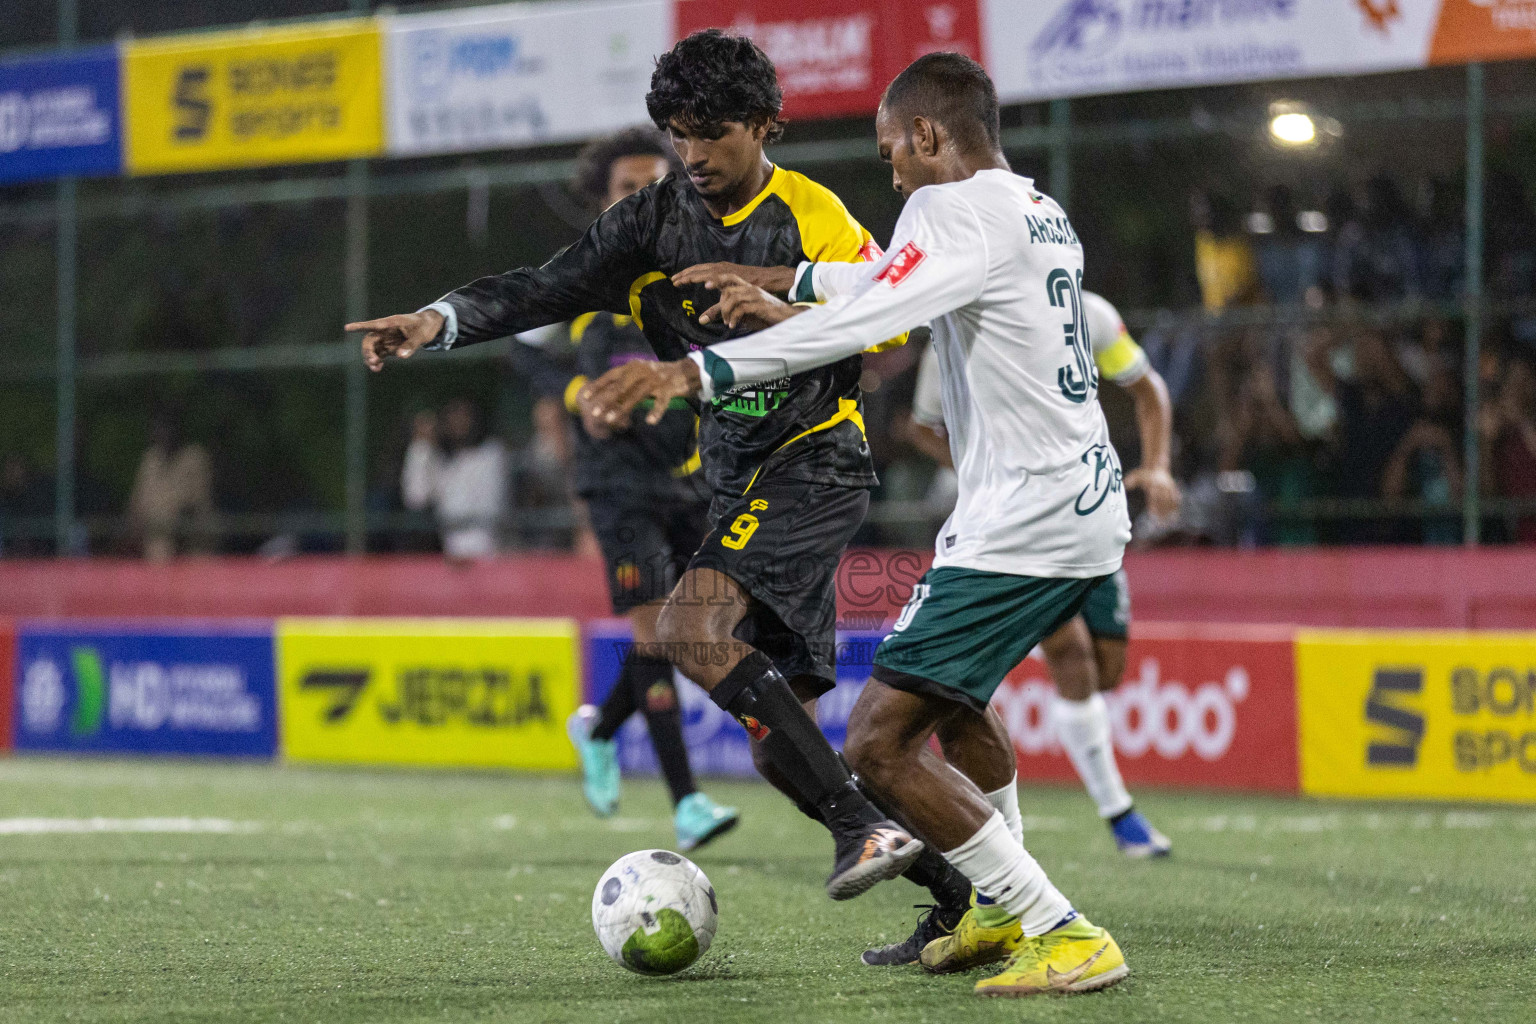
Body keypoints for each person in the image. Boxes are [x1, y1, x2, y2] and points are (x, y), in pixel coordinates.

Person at [585, 52, 1130, 996]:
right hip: (1068, 502)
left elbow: (870, 314)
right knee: (957, 711)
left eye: (891, 154)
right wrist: (788, 279)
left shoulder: (946, 207)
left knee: (877, 743)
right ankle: (1000, 910)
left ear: (927, 134)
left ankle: (1060, 928)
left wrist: (700, 371)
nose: (892, 175)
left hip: (1025, 519)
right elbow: (890, 282)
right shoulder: (1034, 209)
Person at [349, 29, 929, 902]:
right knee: (782, 751)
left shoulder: (815, 216)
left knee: (690, 628)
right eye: (678, 133)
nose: (693, 154)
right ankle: (964, 899)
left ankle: (862, 827)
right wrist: (437, 322)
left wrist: (777, 309)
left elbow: (890, 327)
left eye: (714, 133)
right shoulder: (650, 222)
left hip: (815, 460)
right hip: (735, 478)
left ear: (766, 125)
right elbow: (541, 286)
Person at [513, 126, 739, 852]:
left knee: (694, 628)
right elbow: (523, 352)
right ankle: (688, 803)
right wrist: (578, 391)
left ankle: (600, 726)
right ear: (602, 202)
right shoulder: (581, 280)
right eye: (625, 188)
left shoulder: (690, 274)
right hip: (616, 484)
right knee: (655, 630)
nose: (642, 198)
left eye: (654, 184)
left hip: (686, 478)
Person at [906, 291, 1176, 857]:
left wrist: (1156, 468)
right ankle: (1119, 815)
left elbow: (1147, 388)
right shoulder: (953, 329)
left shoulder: (1088, 313)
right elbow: (922, 426)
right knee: (1072, 656)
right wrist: (991, 471)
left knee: (1105, 672)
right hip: (1014, 527)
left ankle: (1014, 644)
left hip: (1090, 510)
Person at [401, 397, 508, 559]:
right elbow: (416, 498)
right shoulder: (441, 460)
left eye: (464, 415)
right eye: (452, 416)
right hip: (452, 556)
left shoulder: (492, 453)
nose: (458, 422)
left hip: (491, 555)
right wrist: (422, 446)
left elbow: (489, 508)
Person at [125, 409, 214, 562]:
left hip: (190, 551)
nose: (163, 433)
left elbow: (195, 508)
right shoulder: (150, 460)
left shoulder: (194, 457)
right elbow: (136, 508)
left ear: (178, 429)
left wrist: (173, 529)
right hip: (153, 552)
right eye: (158, 428)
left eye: (167, 427)